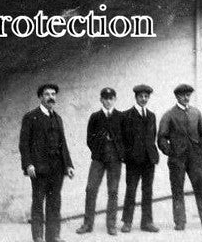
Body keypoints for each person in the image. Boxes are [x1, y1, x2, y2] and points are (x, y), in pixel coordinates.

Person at [156, 83, 202, 232]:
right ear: (177, 97)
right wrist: (170, 151)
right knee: (177, 189)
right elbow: (161, 137)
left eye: (188, 95)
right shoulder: (169, 115)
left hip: (195, 158)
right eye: (182, 95)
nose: (186, 98)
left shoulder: (196, 113)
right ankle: (180, 222)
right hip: (177, 159)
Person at [20, 83, 75, 242]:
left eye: (53, 94)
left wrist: (69, 165)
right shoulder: (31, 117)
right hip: (38, 169)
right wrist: (28, 164)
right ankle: (38, 237)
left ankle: (53, 237)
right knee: (38, 203)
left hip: (57, 169)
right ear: (40, 97)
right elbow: (24, 144)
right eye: (47, 94)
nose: (51, 97)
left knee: (55, 203)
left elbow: (63, 144)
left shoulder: (58, 118)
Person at [77, 87, 124, 236]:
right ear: (101, 100)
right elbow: (89, 139)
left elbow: (126, 138)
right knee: (90, 189)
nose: (108, 101)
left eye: (111, 98)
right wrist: (98, 150)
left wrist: (119, 153)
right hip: (98, 159)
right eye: (105, 98)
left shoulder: (120, 117)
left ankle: (111, 225)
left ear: (114, 100)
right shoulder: (95, 117)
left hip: (115, 160)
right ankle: (87, 224)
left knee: (113, 191)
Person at [119, 84, 160, 233]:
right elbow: (122, 139)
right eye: (141, 96)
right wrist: (127, 156)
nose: (144, 99)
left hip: (149, 159)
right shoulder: (126, 115)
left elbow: (152, 137)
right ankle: (127, 222)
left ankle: (147, 222)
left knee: (147, 191)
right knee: (131, 190)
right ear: (136, 97)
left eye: (146, 96)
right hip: (133, 160)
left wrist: (153, 154)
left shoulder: (151, 116)